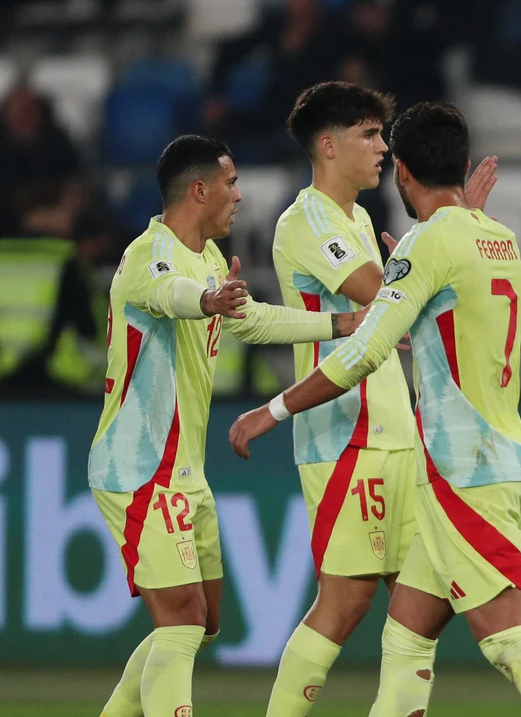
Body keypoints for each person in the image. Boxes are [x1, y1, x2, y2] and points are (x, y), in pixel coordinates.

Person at [228, 102, 521, 717]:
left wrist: (272, 411)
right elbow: (429, 295)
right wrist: (414, 266)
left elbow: (367, 348)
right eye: (362, 132)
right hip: (478, 454)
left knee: (510, 640)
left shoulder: (419, 243)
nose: (374, 148)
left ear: (403, 169)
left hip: (461, 468)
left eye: (381, 140)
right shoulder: (497, 237)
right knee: (404, 631)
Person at [89, 135, 365, 717]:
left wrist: (341, 325)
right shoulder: (150, 254)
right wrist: (210, 299)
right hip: (140, 467)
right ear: (199, 189)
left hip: (185, 470)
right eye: (231, 183)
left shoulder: (210, 259)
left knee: (203, 622)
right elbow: (173, 293)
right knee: (182, 619)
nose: (239, 195)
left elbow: (253, 320)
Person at [262, 81, 495, 716]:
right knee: (346, 601)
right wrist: (448, 228)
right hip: (344, 438)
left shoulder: (362, 218)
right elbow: (378, 293)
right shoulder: (304, 220)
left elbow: (400, 304)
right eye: (369, 135)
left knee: (422, 600)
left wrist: (438, 237)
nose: (383, 148)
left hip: (398, 429)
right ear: (328, 145)